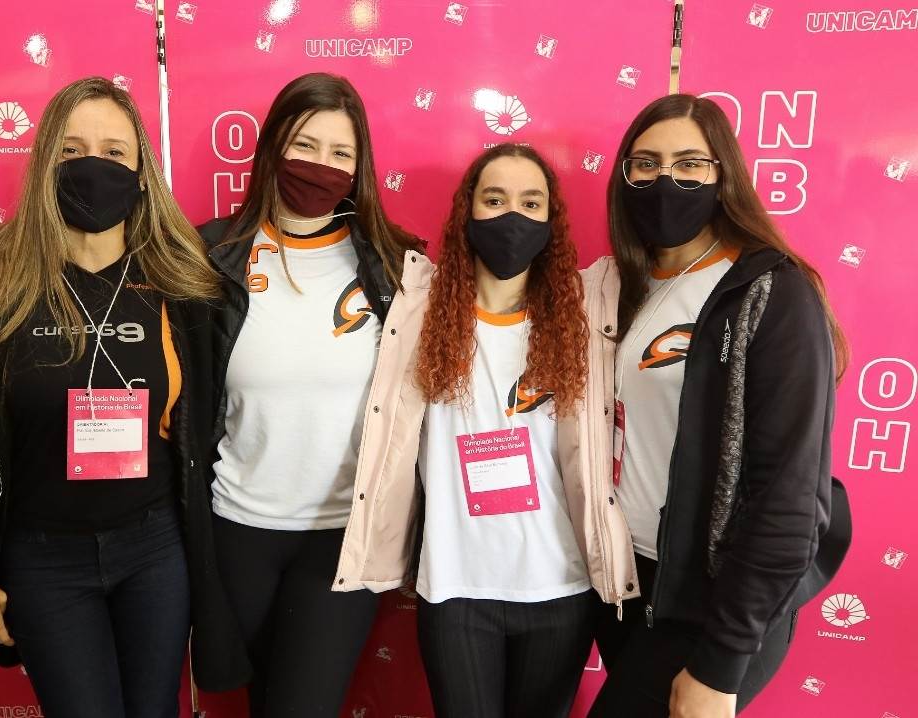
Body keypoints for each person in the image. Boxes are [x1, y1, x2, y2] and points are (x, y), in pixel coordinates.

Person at [0, 76, 248, 717]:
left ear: (142, 172)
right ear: (45, 164)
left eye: (114, 152)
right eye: (71, 151)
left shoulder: (182, 281)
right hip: (43, 559)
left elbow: (208, 425)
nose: (92, 166)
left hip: (155, 550)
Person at [333, 142, 640, 718]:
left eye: (531, 203)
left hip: (560, 586)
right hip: (455, 588)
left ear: (551, 221)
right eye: (494, 200)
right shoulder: (418, 310)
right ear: (467, 212)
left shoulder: (585, 314)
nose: (512, 218)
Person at [589, 94, 849, 717]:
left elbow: (789, 498)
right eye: (646, 164)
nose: (665, 181)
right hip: (628, 582)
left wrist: (723, 660)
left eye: (690, 164)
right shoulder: (621, 287)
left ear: (723, 174)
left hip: (712, 603)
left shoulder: (772, 292)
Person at [195, 72, 420, 717]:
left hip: (343, 537)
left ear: (360, 165)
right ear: (271, 148)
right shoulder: (210, 255)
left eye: (340, 152)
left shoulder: (397, 264)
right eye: (304, 145)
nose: (321, 165)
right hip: (236, 528)